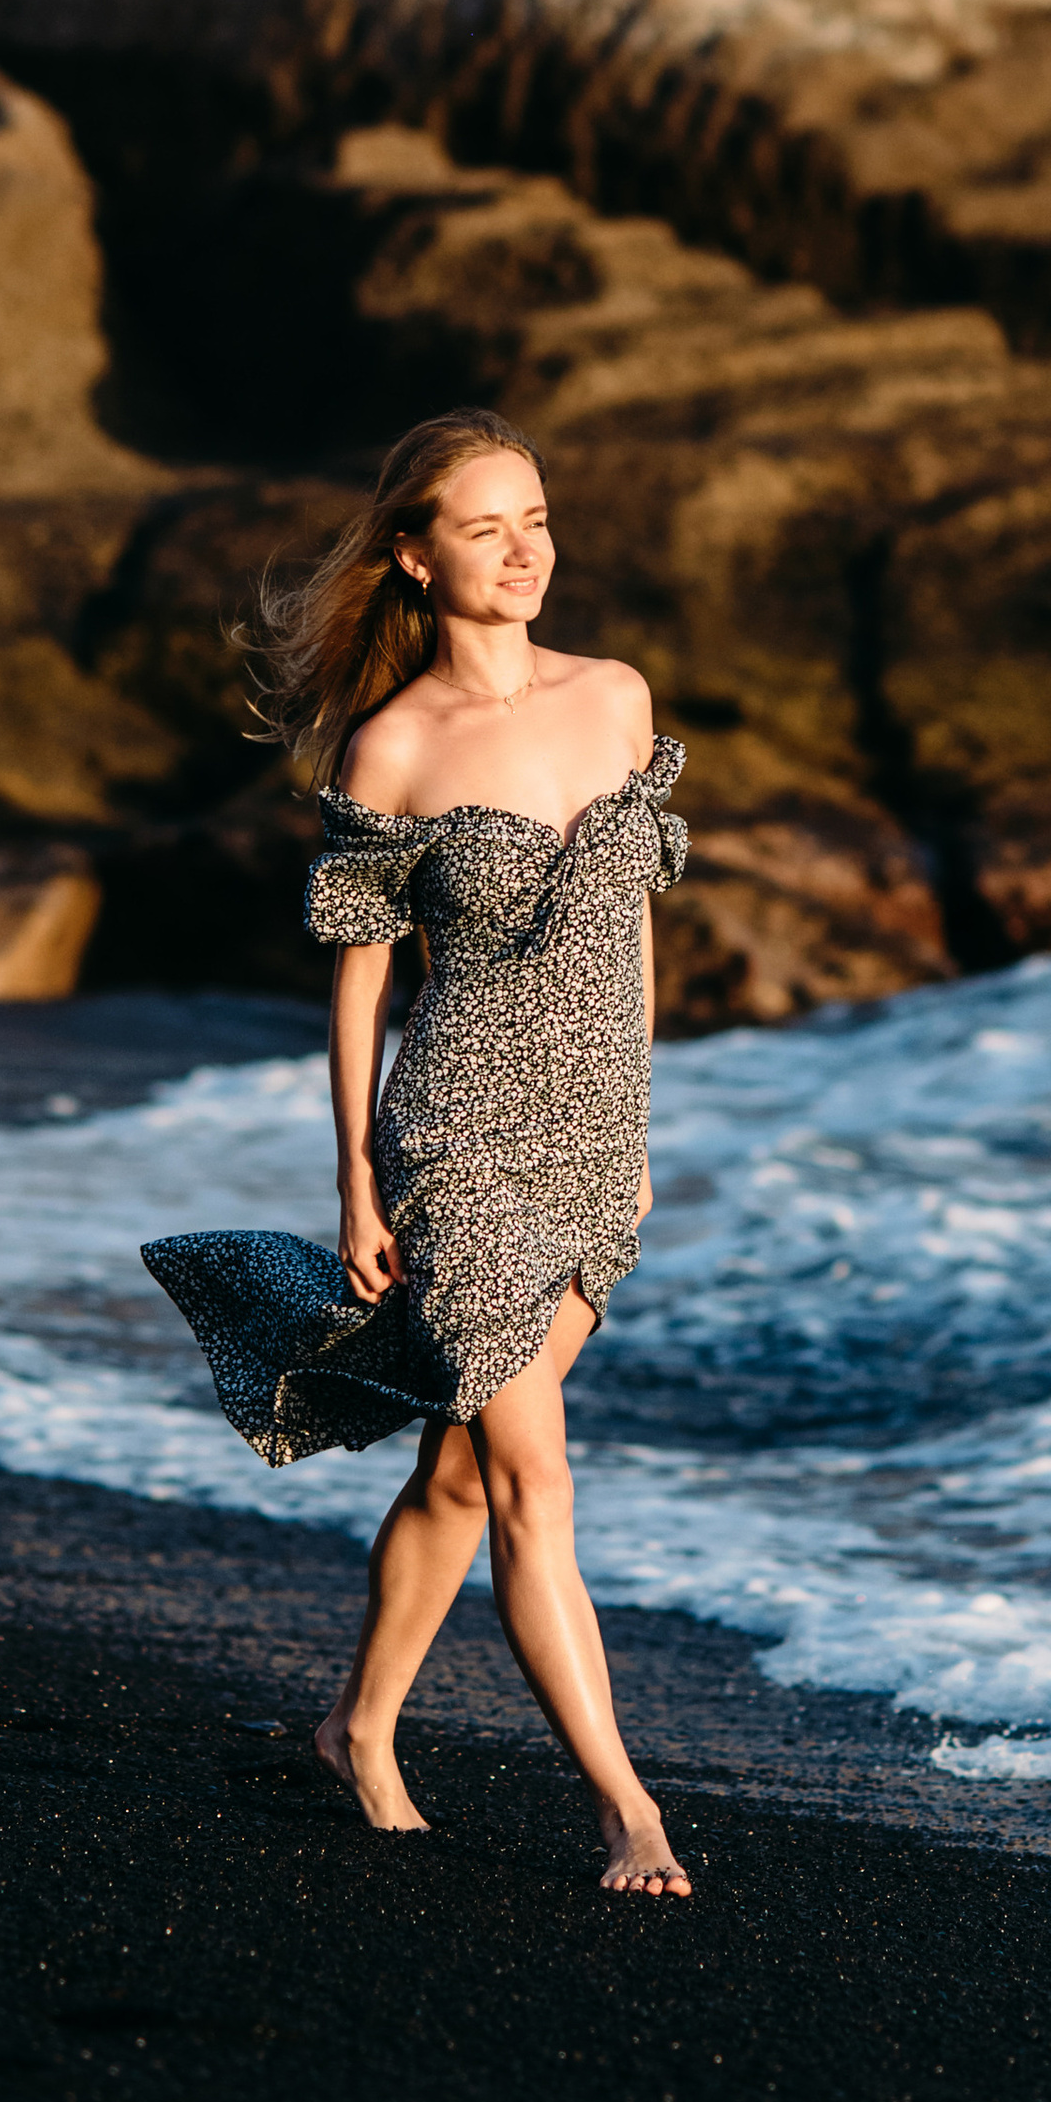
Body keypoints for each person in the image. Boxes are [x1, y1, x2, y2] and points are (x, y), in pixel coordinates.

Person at [143, 407, 694, 1899]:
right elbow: (364, 981)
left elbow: (631, 922)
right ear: (415, 556)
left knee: (462, 1470)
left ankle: (358, 1728)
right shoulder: (396, 746)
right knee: (535, 1481)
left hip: (592, 1142)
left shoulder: (619, 698)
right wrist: (357, 1178)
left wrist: (636, 1131)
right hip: (457, 1137)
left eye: (537, 520)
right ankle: (626, 1808)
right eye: (485, 529)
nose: (525, 554)